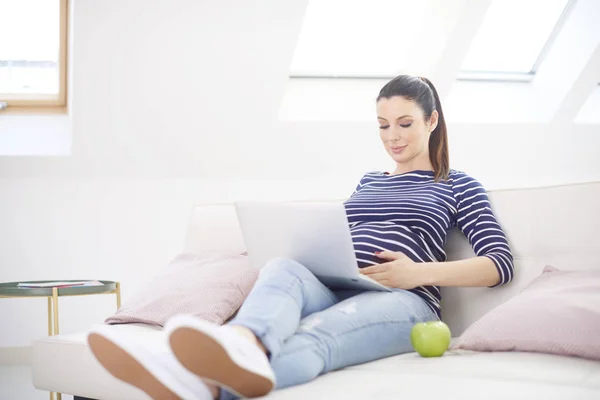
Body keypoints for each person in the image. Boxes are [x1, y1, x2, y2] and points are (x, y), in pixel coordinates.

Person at [88, 75, 514, 400]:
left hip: (407, 302)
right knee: (283, 267)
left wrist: (414, 273)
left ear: (433, 120)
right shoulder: (369, 180)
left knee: (317, 334)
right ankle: (239, 344)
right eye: (383, 125)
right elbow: (341, 237)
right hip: (340, 284)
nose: (392, 137)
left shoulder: (457, 183)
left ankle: (201, 386)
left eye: (404, 123)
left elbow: (499, 264)